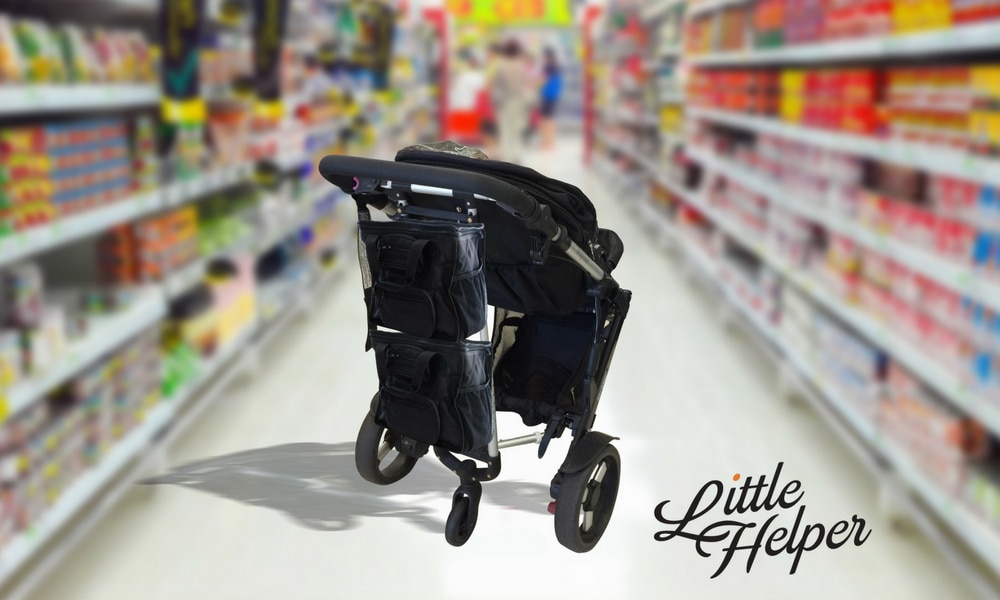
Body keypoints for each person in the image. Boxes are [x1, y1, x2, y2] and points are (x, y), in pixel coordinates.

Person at [488, 38, 533, 163]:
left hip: (505, 101)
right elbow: (526, 82)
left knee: (505, 129)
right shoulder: (520, 65)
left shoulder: (501, 65)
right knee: (517, 130)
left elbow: (497, 84)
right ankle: (517, 155)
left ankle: (507, 156)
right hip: (519, 100)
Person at [538, 47, 563, 152]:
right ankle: (550, 142)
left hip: (547, 95)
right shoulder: (557, 67)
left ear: (547, 56)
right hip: (554, 95)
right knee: (551, 118)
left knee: (545, 119)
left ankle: (545, 142)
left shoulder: (548, 67)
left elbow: (543, 80)